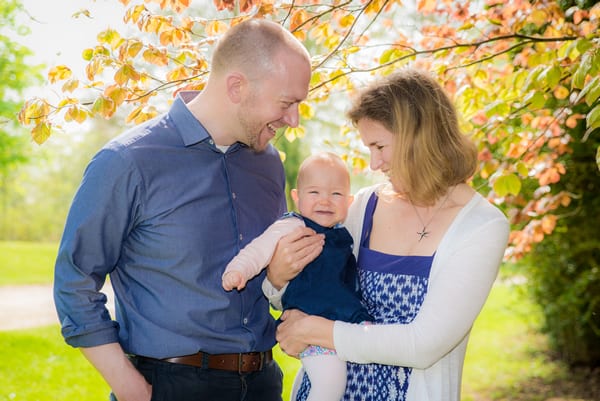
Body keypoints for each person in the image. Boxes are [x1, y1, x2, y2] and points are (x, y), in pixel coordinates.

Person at [53, 19, 324, 401]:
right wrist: (130, 387)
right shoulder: (128, 161)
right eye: (287, 103)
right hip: (170, 386)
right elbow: (74, 281)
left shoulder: (269, 164)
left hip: (263, 382)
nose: (293, 119)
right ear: (236, 87)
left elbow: (268, 269)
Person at [267, 68, 510, 401]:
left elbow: (423, 344)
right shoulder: (363, 207)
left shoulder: (481, 227)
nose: (373, 163)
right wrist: (278, 280)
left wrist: (315, 330)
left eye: (379, 146)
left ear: (418, 137)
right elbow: (309, 288)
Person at [223, 152, 372, 401]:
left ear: (349, 201)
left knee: (324, 380)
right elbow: (260, 249)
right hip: (308, 321)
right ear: (297, 197)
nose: (325, 201)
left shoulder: (342, 234)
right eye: (314, 193)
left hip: (340, 322)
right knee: (330, 385)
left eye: (335, 194)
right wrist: (238, 270)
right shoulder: (293, 226)